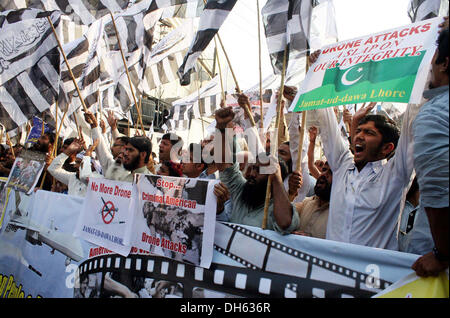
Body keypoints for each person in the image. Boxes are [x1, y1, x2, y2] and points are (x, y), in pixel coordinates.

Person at [307, 50, 419, 250]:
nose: (358, 136)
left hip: (373, 276)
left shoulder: (395, 175)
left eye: (369, 133)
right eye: (358, 131)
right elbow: (326, 120)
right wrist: (317, 72)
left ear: (387, 148)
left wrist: (424, 70)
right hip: (330, 272)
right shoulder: (342, 166)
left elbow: (412, 127)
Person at [213, 106, 299, 234]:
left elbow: (285, 223)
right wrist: (222, 127)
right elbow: (224, 164)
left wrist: (276, 178)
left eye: (259, 171)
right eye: (253, 168)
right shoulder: (242, 191)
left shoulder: (278, 208)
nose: (252, 174)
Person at [411, 27, 449, 277]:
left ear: (445, 64)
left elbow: (439, 192)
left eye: (433, 58)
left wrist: (442, 254)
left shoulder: (435, 115)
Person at [293, 161, 332, 239]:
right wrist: (291, 192)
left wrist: (311, 242)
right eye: (324, 169)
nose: (323, 174)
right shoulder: (306, 203)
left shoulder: (341, 214)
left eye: (332, 172)